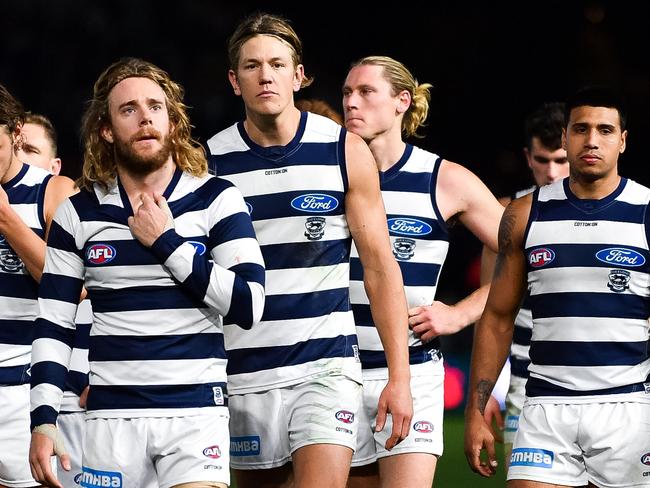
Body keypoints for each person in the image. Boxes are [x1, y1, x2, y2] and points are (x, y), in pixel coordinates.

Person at [28, 57, 265, 488]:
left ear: (172, 121)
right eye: (128, 109)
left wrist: (167, 243)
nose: (145, 118)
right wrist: (43, 421)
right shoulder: (77, 211)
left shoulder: (217, 198)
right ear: (106, 129)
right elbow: (54, 324)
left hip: (196, 414)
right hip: (110, 420)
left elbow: (249, 304)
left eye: (156, 107)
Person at [207, 14, 412, 488]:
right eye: (253, 66)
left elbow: (381, 269)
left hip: (326, 367)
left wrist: (398, 378)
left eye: (278, 64)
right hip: (243, 372)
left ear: (298, 75)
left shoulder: (344, 149)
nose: (266, 75)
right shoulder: (209, 162)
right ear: (235, 82)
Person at [464, 86, 650, 487]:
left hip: (629, 407)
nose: (592, 140)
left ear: (623, 141)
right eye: (581, 129)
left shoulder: (647, 211)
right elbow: (497, 318)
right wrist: (477, 411)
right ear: (565, 136)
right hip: (545, 406)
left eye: (605, 130)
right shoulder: (523, 214)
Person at [342, 56, 503, 487]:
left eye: (365, 92)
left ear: (401, 102)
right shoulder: (327, 174)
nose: (351, 103)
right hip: (336, 374)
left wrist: (460, 313)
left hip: (413, 370)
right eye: (346, 93)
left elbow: (526, 256)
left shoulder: (442, 179)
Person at [480, 102, 569, 466]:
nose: (552, 172)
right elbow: (490, 313)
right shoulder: (507, 215)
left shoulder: (626, 213)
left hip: (609, 387)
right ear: (527, 157)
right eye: (543, 160)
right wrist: (486, 394)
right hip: (526, 387)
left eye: (561, 160)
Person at [0, 84, 77, 488]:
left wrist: (5, 218)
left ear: (14, 134)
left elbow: (71, 286)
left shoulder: (54, 191)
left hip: (21, 386)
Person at [16, 112, 92, 488]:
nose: (22, 160)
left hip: (40, 387)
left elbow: (73, 287)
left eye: (31, 150)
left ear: (54, 163)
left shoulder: (60, 196)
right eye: (16, 150)